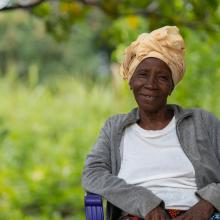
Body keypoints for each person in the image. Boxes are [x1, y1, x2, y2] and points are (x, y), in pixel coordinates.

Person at [82, 26, 220, 220]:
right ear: (131, 80)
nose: (151, 85)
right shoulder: (115, 128)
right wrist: (146, 204)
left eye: (162, 77)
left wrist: (208, 203)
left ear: (172, 86)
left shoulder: (202, 122)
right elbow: (92, 174)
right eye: (143, 74)